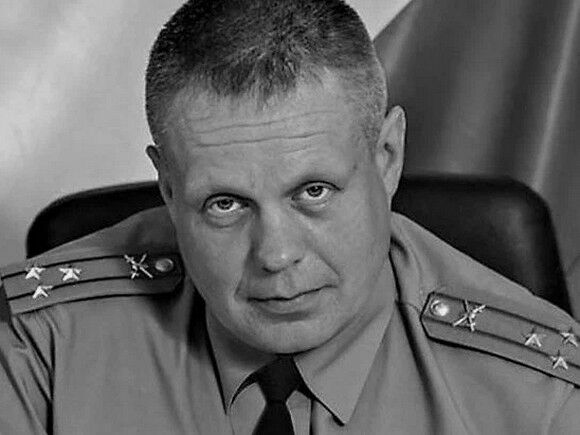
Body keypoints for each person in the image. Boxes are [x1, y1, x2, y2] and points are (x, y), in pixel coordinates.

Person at [1, 0, 579, 433]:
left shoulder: (542, 395)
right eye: (225, 204)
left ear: (387, 158)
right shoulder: (40, 348)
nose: (276, 255)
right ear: (169, 190)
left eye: (314, 192)